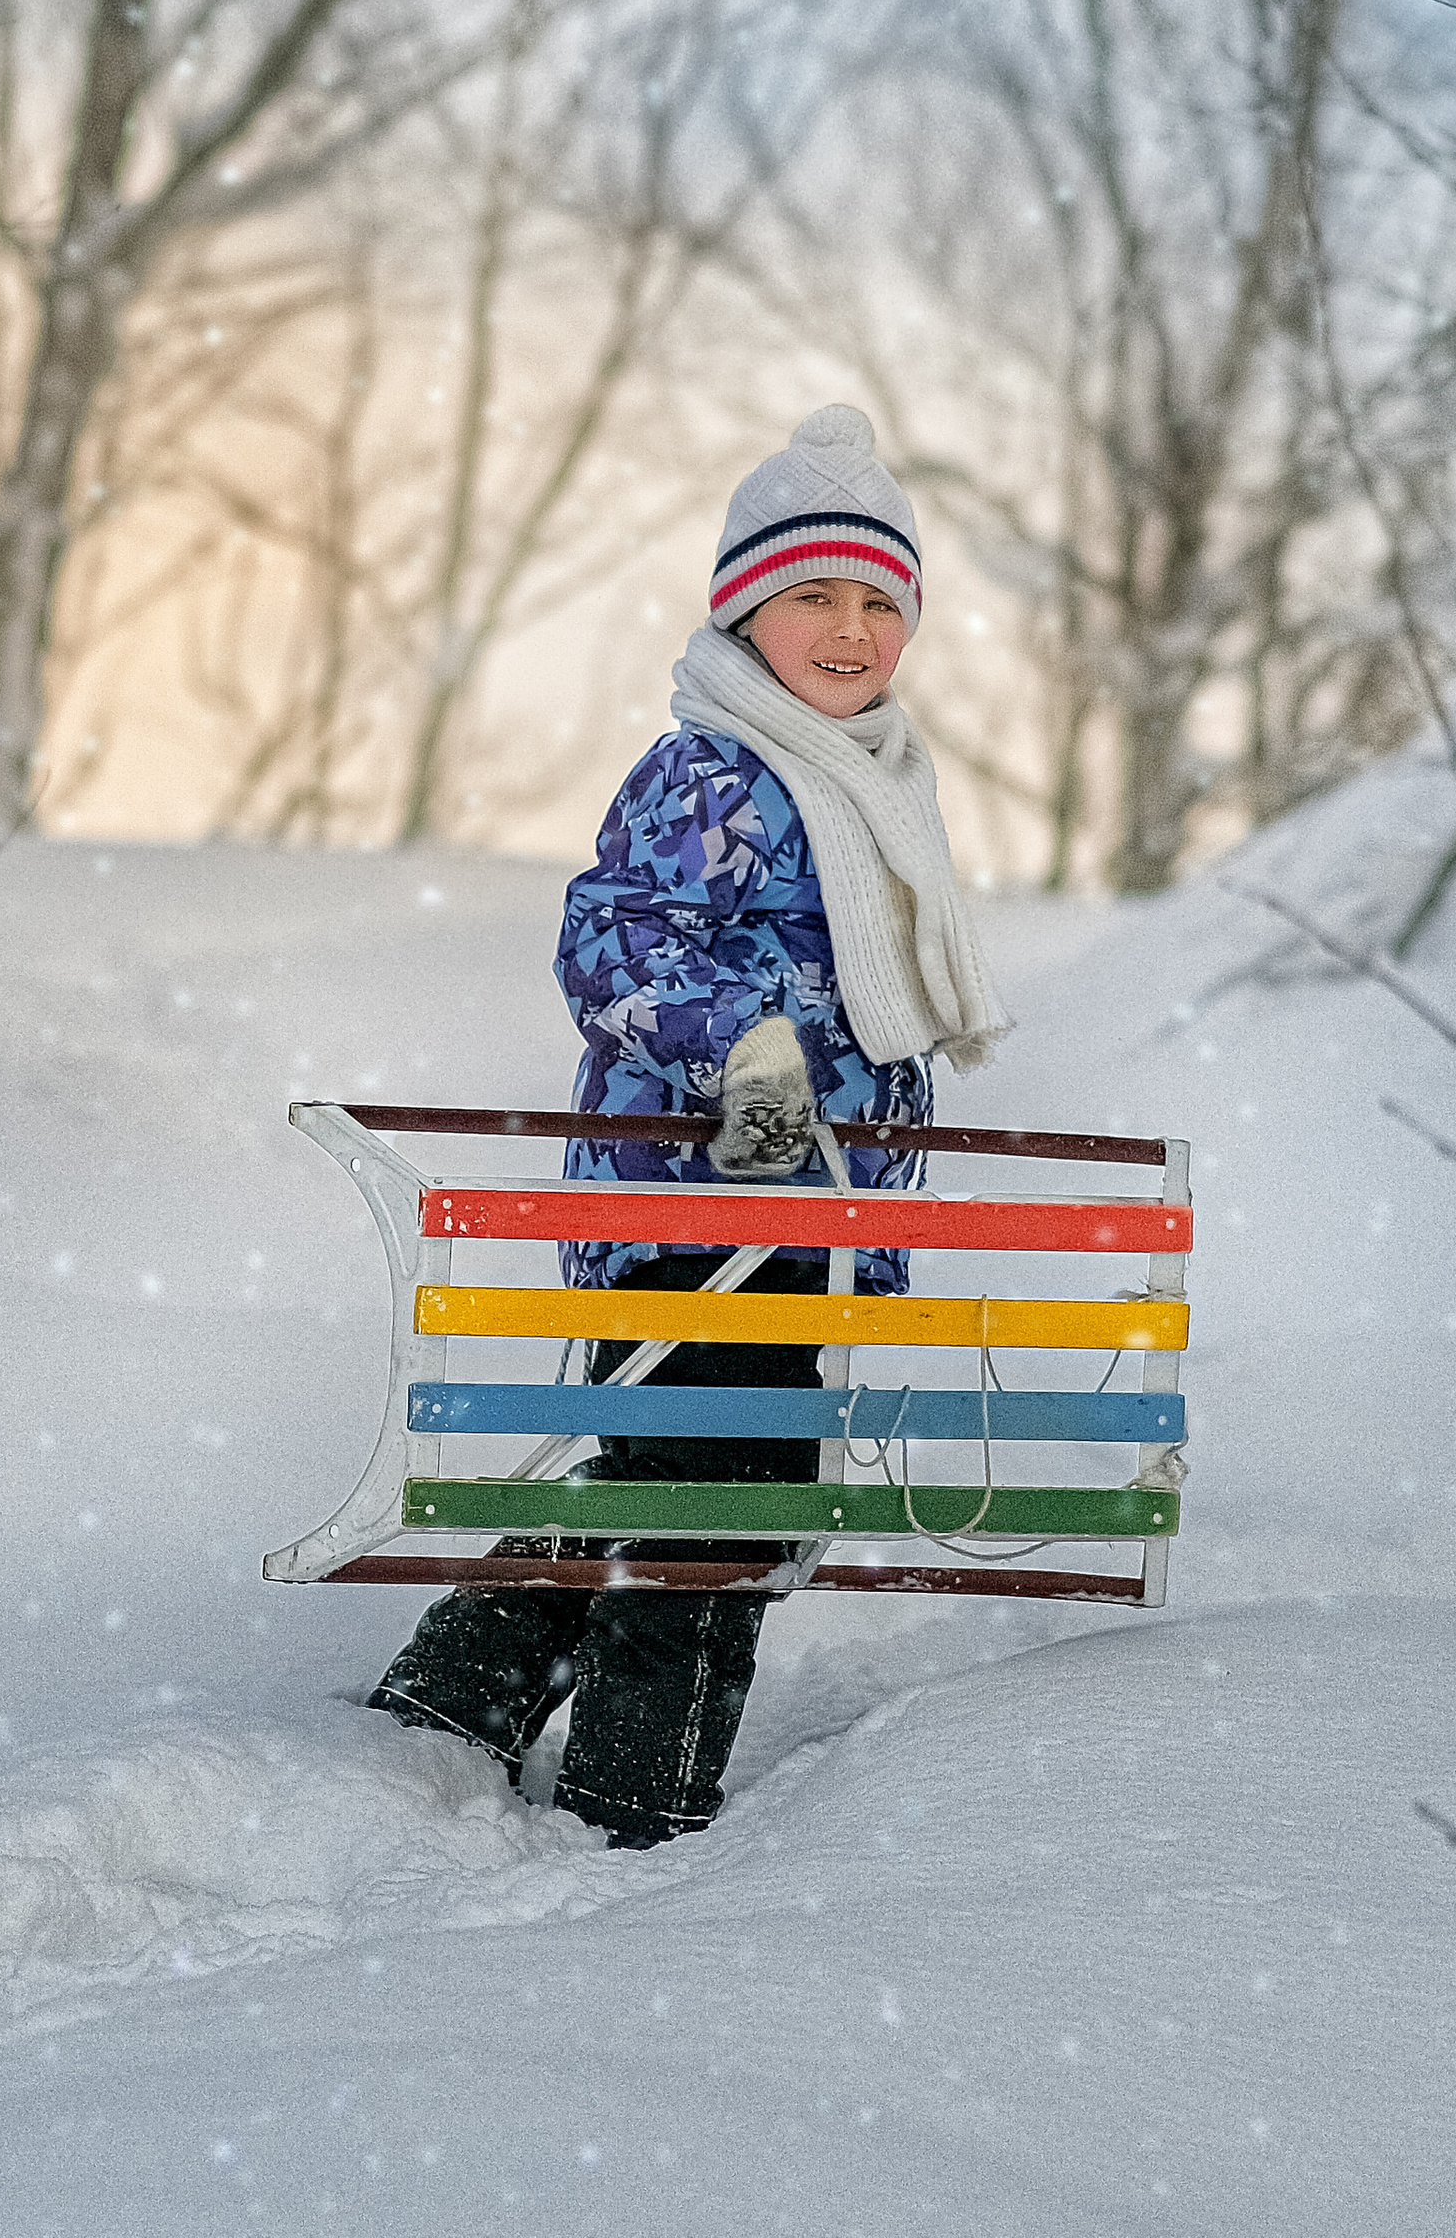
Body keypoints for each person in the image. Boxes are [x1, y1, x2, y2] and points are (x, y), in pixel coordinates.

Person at [367, 402, 1007, 1844]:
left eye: (876, 604)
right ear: (743, 614)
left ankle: (455, 1704)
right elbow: (614, 945)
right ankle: (633, 1802)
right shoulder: (716, 773)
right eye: (811, 600)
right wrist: (753, 1054)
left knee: (696, 1486)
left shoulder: (877, 790)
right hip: (694, 1206)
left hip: (808, 1222)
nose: (849, 633)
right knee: (703, 1509)